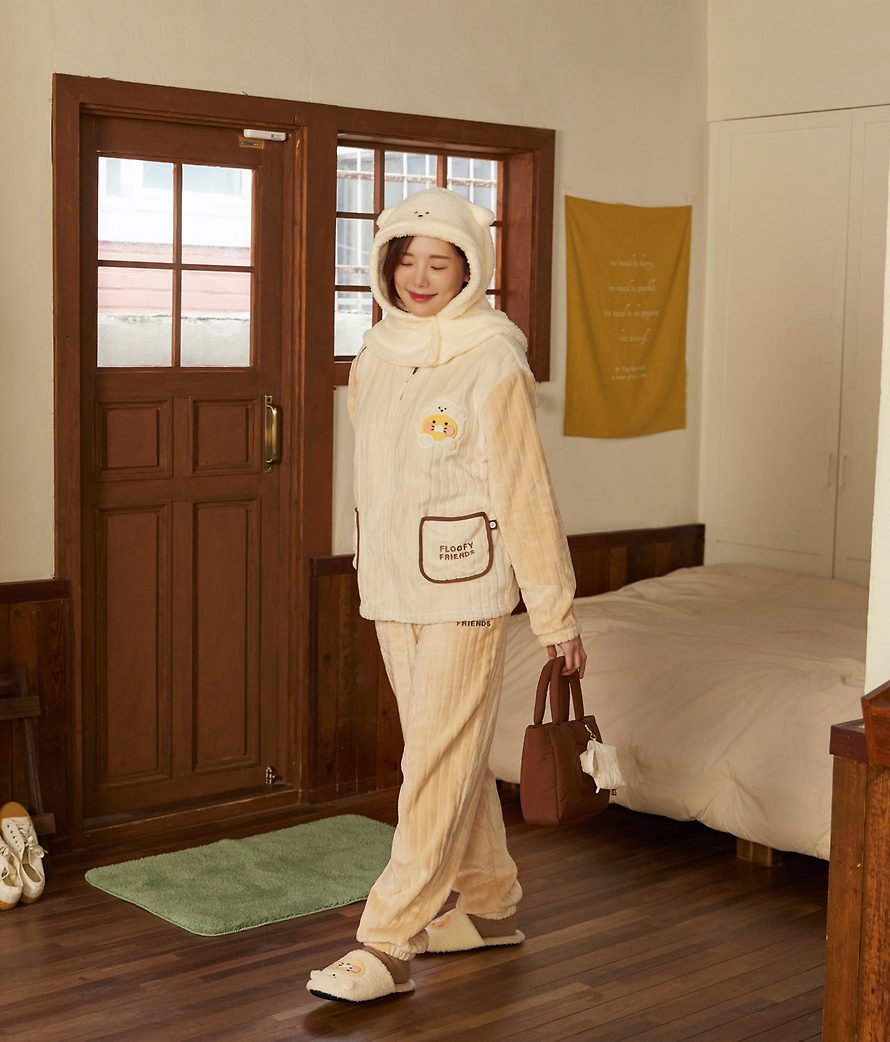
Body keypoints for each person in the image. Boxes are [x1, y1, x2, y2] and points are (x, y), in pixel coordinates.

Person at [307, 187, 586, 1003]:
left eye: (439, 263)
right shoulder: (374, 353)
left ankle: (387, 942)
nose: (420, 278)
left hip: (466, 589)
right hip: (391, 585)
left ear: (471, 270)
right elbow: (377, 472)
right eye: (406, 261)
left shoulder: (493, 358)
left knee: (431, 760)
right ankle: (491, 904)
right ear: (384, 267)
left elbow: (525, 491)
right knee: (446, 752)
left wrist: (555, 613)